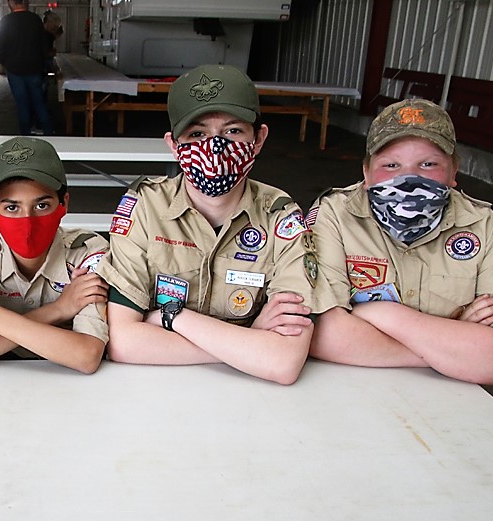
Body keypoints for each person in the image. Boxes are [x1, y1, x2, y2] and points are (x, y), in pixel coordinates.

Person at [96, 64, 329, 385]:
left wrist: (172, 318)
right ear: (173, 145)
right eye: (197, 134)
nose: (214, 147)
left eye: (233, 131)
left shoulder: (281, 217)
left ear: (258, 138)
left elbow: (283, 361)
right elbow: (122, 342)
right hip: (158, 392)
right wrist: (247, 340)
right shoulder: (146, 207)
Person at [307, 99, 493, 386]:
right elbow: (319, 334)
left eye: (428, 164)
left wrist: (382, 314)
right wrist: (453, 341)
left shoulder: (483, 226)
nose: (408, 179)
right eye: (391, 165)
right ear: (366, 173)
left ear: (454, 170)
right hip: (348, 388)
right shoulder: (335, 215)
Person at [0, 137, 109, 374]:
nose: (27, 221)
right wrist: (59, 309)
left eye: (42, 206)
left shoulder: (87, 251)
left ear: (64, 203)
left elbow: (86, 356)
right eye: (12, 207)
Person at [0, 0, 53, 135]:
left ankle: (25, 137)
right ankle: (49, 134)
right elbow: (44, 46)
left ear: (11, 3)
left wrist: (7, 65)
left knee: (22, 105)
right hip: (34, 69)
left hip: (15, 70)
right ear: (24, 2)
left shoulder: (5, 21)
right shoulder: (35, 20)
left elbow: (1, 49)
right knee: (39, 102)